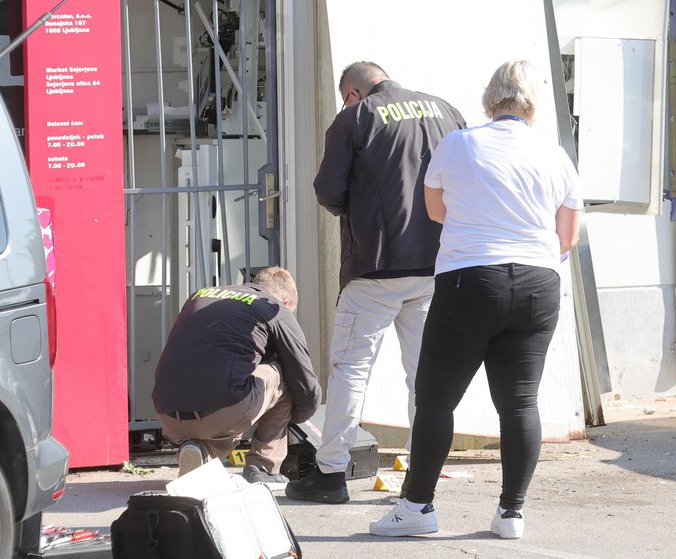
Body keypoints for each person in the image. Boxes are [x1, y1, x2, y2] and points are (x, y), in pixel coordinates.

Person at [368, 59, 583, 538]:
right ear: (532, 103)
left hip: (470, 278)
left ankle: (417, 509)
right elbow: (567, 236)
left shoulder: (459, 143)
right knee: (520, 402)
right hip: (538, 282)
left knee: (436, 399)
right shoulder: (555, 155)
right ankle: (511, 513)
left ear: (491, 98)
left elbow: (435, 209)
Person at [285, 61, 466, 504]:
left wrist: (363, 208)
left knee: (351, 369)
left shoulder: (356, 118)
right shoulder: (447, 110)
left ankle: (329, 473)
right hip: (436, 265)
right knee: (424, 375)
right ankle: (422, 472)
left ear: (351, 92)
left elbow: (328, 191)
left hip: (376, 267)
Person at [151, 266, 322, 489]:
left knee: (226, 388)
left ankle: (199, 453)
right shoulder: (273, 308)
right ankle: (263, 467)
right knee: (284, 375)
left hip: (166, 415)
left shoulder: (201, 295)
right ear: (284, 300)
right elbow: (306, 385)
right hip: (223, 411)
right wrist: (295, 417)